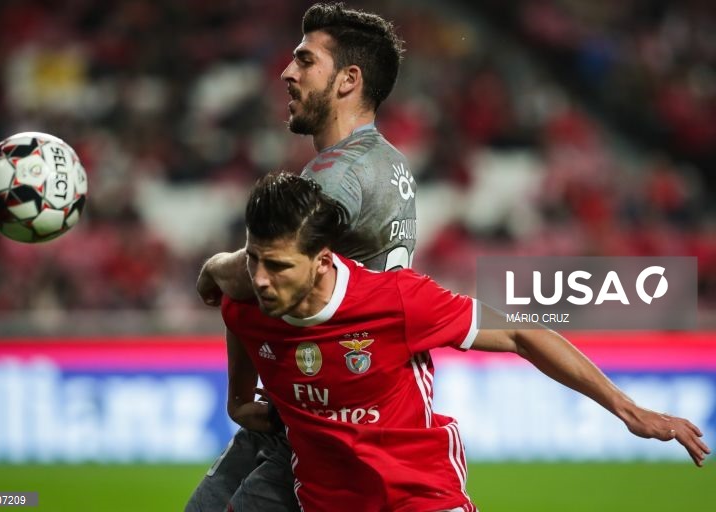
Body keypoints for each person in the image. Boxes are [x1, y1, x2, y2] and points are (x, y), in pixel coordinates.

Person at [223, 171, 710, 512]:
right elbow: (238, 353)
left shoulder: (396, 301)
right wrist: (244, 404)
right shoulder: (246, 306)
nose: (262, 280)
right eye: (255, 262)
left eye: (279, 266)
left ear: (323, 261)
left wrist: (631, 411)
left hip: (419, 497)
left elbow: (523, 332)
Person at [186, 3, 415, 511]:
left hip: (325, 416)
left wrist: (213, 268)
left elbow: (254, 282)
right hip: (324, 404)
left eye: (305, 60)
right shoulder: (389, 161)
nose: (287, 73)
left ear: (347, 79)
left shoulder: (334, 179)